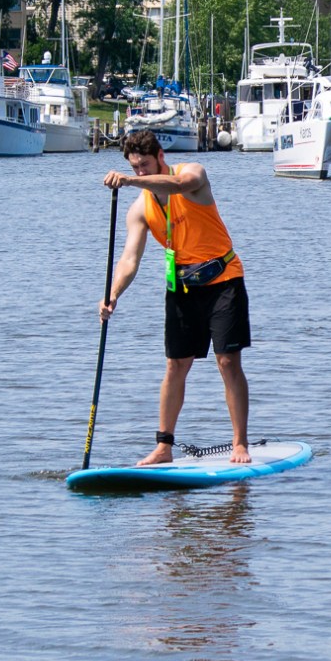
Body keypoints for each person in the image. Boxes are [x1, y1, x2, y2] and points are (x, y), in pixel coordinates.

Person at [98, 130, 252, 465]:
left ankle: (239, 443)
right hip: (182, 287)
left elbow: (180, 185)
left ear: (160, 158)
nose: (140, 173)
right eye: (135, 168)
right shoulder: (140, 210)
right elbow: (129, 259)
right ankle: (163, 446)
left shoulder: (193, 173)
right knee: (175, 366)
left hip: (224, 279)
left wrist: (129, 181)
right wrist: (112, 295)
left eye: (145, 166)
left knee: (227, 362)